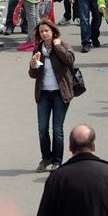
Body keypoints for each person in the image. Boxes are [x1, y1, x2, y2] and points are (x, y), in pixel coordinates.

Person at [28, 19, 76, 172]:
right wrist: (33, 66)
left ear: (53, 32)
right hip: (43, 93)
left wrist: (57, 46)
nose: (44, 34)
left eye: (47, 31)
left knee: (57, 129)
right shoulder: (38, 50)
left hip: (60, 93)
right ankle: (46, 158)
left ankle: (57, 161)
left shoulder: (63, 46)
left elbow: (70, 60)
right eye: (41, 32)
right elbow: (33, 74)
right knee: (42, 129)